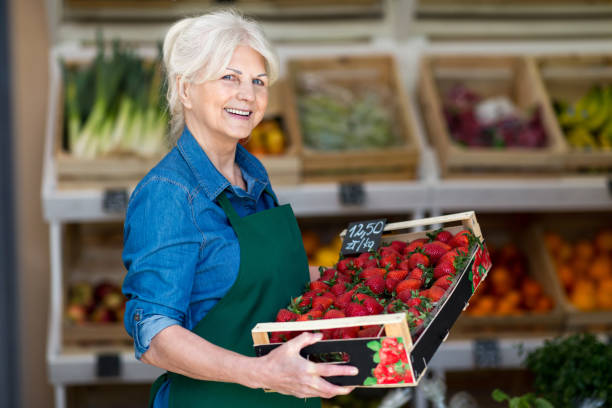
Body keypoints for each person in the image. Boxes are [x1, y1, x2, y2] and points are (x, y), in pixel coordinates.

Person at [121, 9, 357, 408]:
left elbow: (269, 281)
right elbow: (155, 337)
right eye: (229, 77)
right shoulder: (167, 194)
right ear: (184, 89)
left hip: (287, 398)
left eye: (258, 82)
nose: (248, 94)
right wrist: (261, 372)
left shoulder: (252, 178)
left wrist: (354, 277)